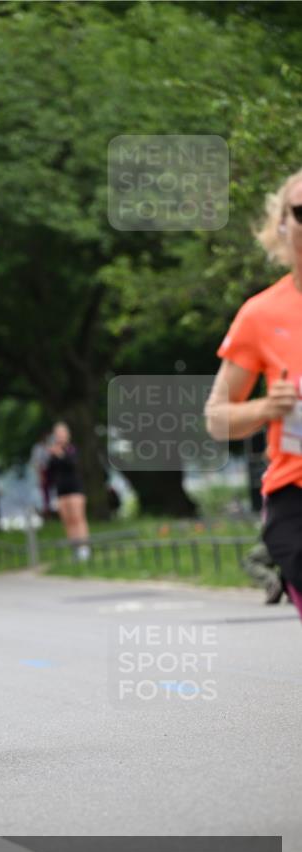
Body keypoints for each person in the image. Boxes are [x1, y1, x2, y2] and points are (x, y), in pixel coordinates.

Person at [206, 168, 302, 620]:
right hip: (295, 494)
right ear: (282, 224)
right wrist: (267, 407)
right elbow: (217, 419)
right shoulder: (260, 315)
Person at [45, 421, 90, 561]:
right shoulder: (53, 453)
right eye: (57, 434)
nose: (59, 436)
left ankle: (84, 548)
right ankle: (75, 549)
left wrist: (59, 454)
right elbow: (50, 472)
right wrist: (51, 455)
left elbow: (72, 464)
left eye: (62, 433)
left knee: (78, 518)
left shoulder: (71, 449)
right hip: (61, 490)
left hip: (75, 488)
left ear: (67, 435)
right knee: (68, 521)